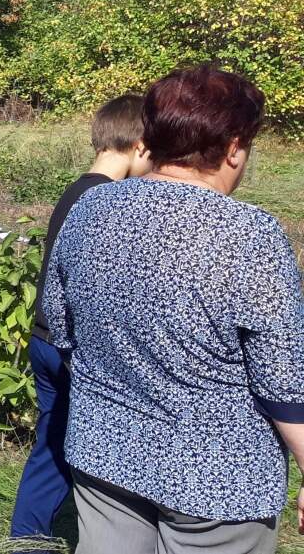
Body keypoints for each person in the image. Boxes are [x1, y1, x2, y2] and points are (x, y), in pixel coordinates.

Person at [41, 65, 304, 553]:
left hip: (105, 452)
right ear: (233, 147)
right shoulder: (251, 235)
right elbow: (283, 380)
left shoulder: (90, 209)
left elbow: (60, 323)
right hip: (219, 482)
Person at [10, 94, 152, 550]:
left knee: (52, 446)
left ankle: (26, 537)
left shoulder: (77, 190)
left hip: (44, 336)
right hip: (75, 347)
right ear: (140, 145)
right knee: (98, 452)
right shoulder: (107, 202)